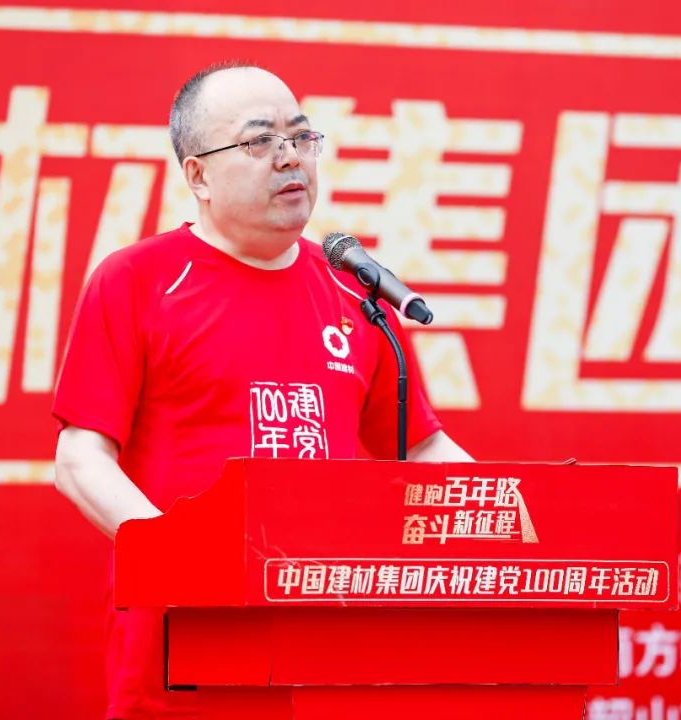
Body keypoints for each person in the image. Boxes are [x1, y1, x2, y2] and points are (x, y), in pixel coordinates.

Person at [52, 61, 471, 719]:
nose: (290, 158)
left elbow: (420, 449)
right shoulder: (138, 281)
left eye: (301, 137)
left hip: (323, 651)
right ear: (198, 176)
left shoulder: (355, 295)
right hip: (181, 656)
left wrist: (526, 522)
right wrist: (176, 558)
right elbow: (80, 458)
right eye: (259, 141)